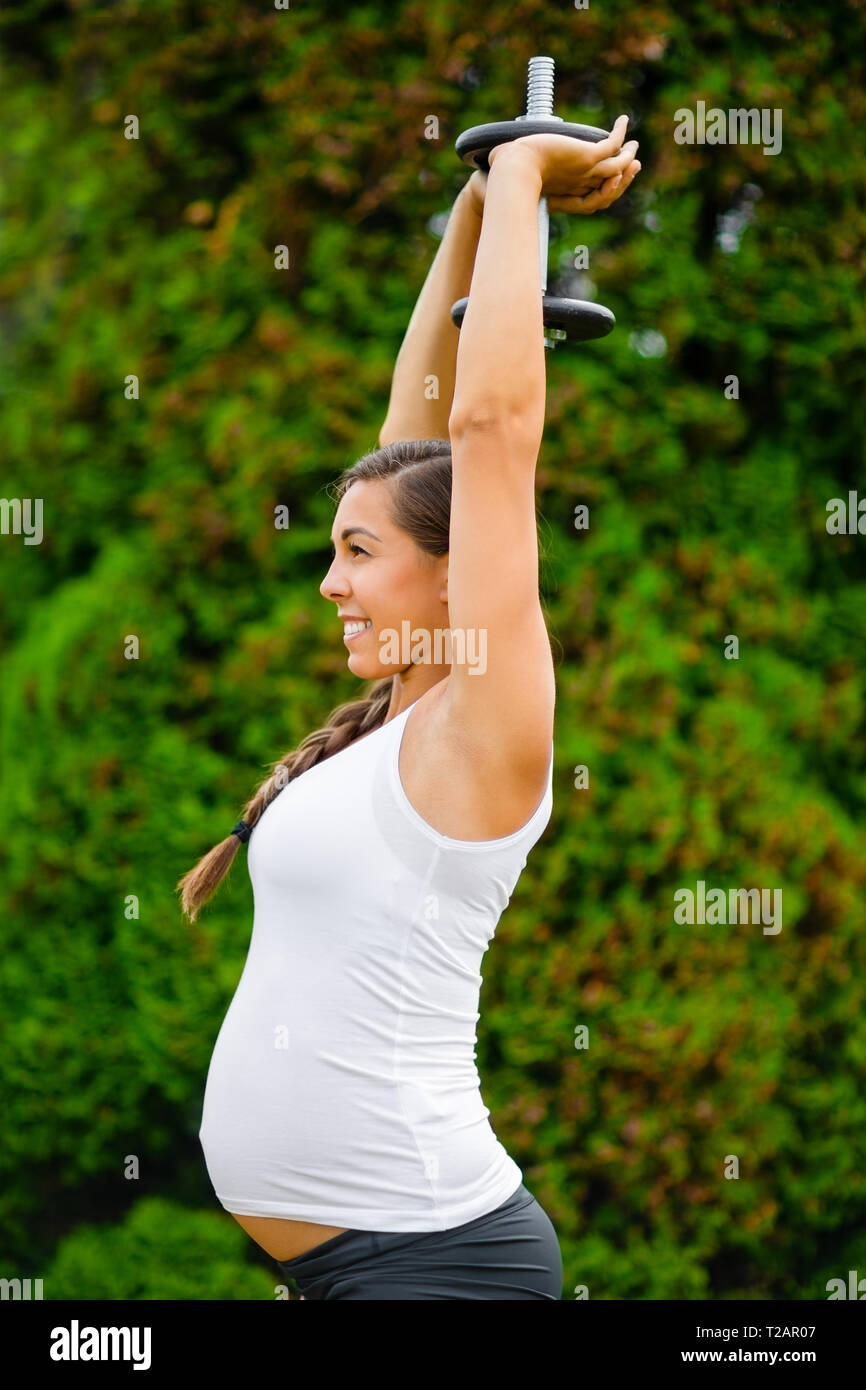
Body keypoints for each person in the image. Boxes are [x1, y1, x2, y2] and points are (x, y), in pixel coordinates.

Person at [177, 118, 641, 1300]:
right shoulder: (401, 711)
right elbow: (428, 432)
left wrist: (531, 179)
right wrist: (479, 208)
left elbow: (487, 437)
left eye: (355, 554)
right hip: (357, 1269)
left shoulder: (478, 718)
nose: (328, 581)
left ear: (451, 569)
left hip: (438, 1267)